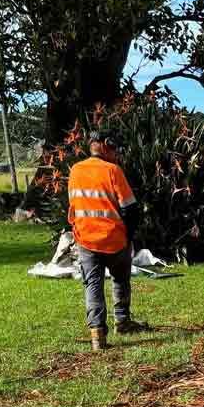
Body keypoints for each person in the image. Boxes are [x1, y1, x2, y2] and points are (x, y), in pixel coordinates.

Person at [67, 130, 148, 351]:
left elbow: (74, 205)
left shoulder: (75, 170)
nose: (117, 153)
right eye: (115, 148)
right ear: (105, 146)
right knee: (120, 280)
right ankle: (123, 322)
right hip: (114, 239)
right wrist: (130, 236)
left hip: (85, 239)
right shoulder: (113, 170)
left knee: (92, 284)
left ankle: (97, 336)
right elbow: (130, 208)